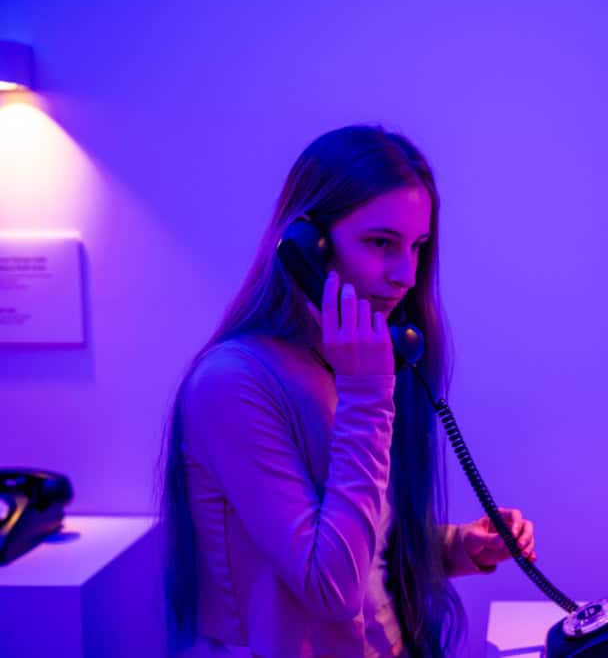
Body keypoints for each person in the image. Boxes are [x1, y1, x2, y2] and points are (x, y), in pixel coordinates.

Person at [159, 125, 537, 657]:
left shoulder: (351, 363)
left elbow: (364, 553)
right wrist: (368, 392)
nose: (405, 275)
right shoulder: (234, 384)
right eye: (380, 243)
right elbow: (331, 587)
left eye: (417, 247)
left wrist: (457, 545)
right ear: (306, 248)